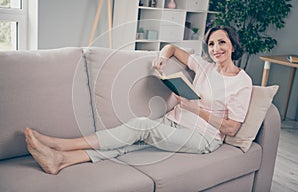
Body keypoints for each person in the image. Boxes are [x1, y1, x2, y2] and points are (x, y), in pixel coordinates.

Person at [24, 26, 252, 175]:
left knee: (142, 125)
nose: (216, 49)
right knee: (129, 144)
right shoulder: (204, 66)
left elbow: (232, 128)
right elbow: (171, 48)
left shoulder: (242, 82)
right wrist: (162, 59)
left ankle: (60, 144)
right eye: (211, 44)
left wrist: (196, 109)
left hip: (204, 138)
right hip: (175, 122)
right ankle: (61, 160)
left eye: (221, 42)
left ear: (233, 44)